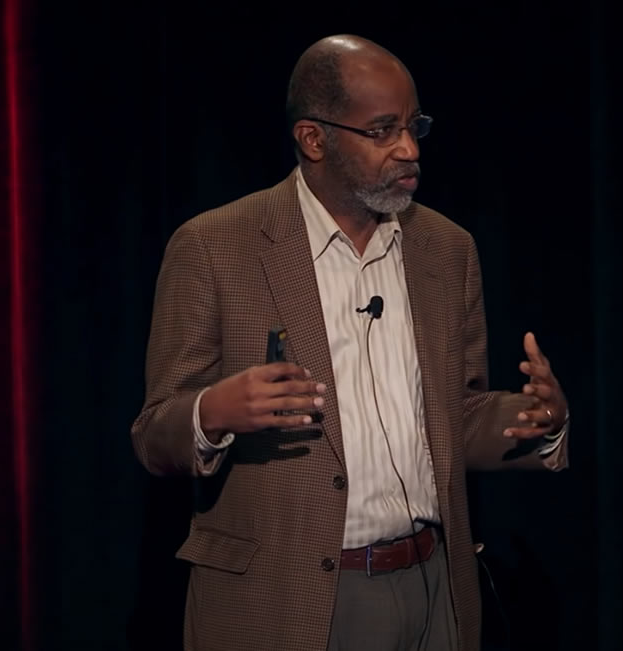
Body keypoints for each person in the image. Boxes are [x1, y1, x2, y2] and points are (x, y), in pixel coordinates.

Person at [130, 34, 570, 651]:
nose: (409, 149)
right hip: (288, 601)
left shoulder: (447, 249)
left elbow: (457, 417)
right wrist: (213, 411)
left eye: (414, 126)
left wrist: (538, 419)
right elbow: (153, 435)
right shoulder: (214, 247)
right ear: (314, 139)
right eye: (383, 130)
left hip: (432, 588)